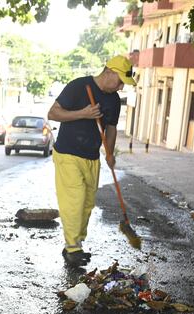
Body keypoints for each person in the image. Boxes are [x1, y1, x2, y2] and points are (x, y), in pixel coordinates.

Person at [48, 56, 136, 267]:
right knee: (74, 202)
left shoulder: (114, 100)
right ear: (109, 72)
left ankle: (76, 242)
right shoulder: (79, 86)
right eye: (120, 80)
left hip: (91, 157)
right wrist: (83, 113)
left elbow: (111, 128)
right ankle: (73, 250)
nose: (122, 86)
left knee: (87, 205)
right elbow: (52, 113)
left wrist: (110, 152)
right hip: (68, 153)